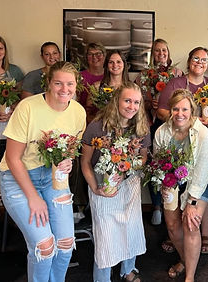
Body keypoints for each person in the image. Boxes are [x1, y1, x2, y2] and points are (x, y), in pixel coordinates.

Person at [0, 61, 86, 281]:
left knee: (65, 245)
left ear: (77, 85)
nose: (64, 89)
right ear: (48, 82)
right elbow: (12, 158)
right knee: (44, 247)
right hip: (18, 178)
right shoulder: (27, 107)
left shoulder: (78, 112)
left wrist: (68, 162)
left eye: (70, 84)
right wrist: (33, 197)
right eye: (58, 83)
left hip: (53, 178)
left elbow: (70, 148)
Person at [157, 47, 208, 254]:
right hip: (179, 142)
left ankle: (205, 232)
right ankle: (177, 233)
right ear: (189, 61)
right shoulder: (176, 84)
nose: (200, 62)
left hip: (205, 142)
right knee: (177, 185)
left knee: (203, 185)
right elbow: (162, 110)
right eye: (196, 58)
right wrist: (192, 120)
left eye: (204, 60)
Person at [81, 82, 149, 282]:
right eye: (127, 100)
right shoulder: (97, 126)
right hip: (102, 183)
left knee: (131, 227)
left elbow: (143, 158)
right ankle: (102, 278)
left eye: (136, 102)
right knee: (106, 234)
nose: (132, 106)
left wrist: (128, 167)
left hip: (129, 183)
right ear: (116, 101)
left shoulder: (141, 127)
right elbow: (84, 162)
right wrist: (95, 187)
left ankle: (128, 270)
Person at [154, 89, 208, 282]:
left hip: (199, 181)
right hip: (172, 180)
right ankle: (185, 259)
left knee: (190, 224)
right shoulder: (162, 132)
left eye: (184, 109)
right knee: (172, 226)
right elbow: (158, 162)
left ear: (192, 111)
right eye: (175, 109)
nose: (180, 114)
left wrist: (192, 202)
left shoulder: (203, 135)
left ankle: (190, 276)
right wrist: (165, 182)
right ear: (170, 110)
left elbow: (202, 172)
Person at [134, 38, 183, 226]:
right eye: (156, 51)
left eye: (164, 50)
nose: (161, 54)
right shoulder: (143, 76)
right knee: (153, 164)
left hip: (171, 124)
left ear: (168, 52)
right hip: (149, 124)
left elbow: (184, 100)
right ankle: (156, 206)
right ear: (152, 54)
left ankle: (171, 202)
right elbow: (135, 101)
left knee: (171, 161)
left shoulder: (177, 74)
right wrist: (148, 104)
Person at [78, 42, 106, 123]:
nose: (94, 57)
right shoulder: (79, 77)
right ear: (86, 57)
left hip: (104, 120)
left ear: (104, 56)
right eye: (90, 54)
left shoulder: (110, 76)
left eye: (98, 54)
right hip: (83, 119)